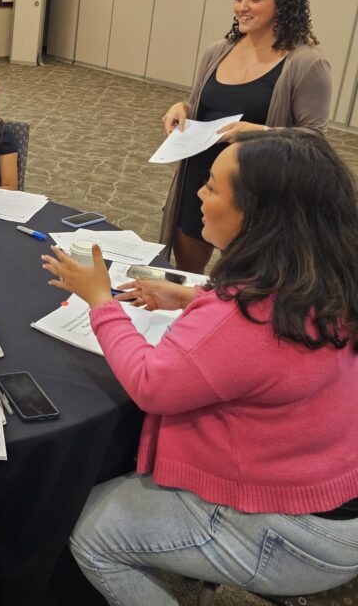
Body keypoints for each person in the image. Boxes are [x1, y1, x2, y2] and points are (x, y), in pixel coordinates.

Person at [42, 131, 358, 605]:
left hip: (296, 531)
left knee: (88, 531)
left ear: (255, 214)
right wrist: (191, 295)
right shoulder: (325, 276)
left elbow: (151, 384)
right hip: (334, 497)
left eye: (211, 187)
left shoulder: (242, 316)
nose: (199, 196)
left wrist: (101, 300)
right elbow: (269, 341)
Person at [158, 0, 331, 273]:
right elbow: (198, 104)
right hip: (202, 178)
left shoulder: (306, 64)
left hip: (256, 188)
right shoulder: (219, 50)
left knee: (241, 282)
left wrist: (262, 133)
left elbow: (315, 140)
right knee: (185, 274)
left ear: (283, 5)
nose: (242, 7)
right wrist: (181, 108)